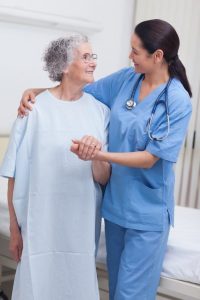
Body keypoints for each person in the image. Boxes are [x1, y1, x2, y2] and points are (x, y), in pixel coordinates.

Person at [18, 19, 192, 300]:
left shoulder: (176, 100)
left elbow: (150, 158)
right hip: (115, 209)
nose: (129, 56)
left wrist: (98, 154)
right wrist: (35, 91)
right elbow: (77, 89)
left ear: (157, 55)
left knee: (129, 297)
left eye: (135, 51)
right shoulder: (127, 79)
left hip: (146, 217)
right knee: (116, 294)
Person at [0, 34, 110, 300]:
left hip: (80, 228)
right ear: (63, 65)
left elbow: (104, 178)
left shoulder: (100, 112)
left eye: (92, 56)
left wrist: (96, 155)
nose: (93, 62)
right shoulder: (33, 109)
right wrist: (15, 230)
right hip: (39, 227)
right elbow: (14, 174)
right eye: (85, 57)